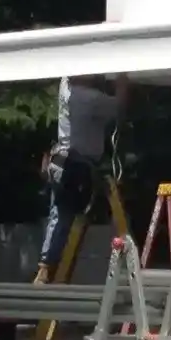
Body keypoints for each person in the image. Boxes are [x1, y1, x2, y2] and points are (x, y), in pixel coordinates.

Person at [38, 74, 126, 275]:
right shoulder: (90, 98)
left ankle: (46, 266)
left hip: (63, 162)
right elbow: (119, 106)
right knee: (64, 216)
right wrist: (123, 81)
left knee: (58, 215)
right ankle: (47, 268)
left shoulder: (65, 88)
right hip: (76, 166)